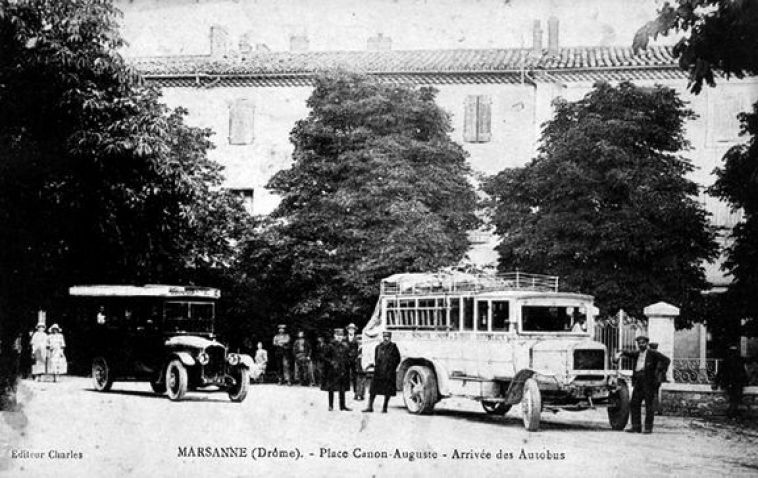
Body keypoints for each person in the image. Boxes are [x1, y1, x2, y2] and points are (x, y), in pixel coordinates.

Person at [614, 335, 670, 433]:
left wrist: (660, 371)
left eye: (643, 343)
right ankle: (636, 427)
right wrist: (620, 352)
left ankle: (648, 428)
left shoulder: (653, 353)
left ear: (647, 343)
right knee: (634, 403)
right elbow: (629, 353)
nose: (641, 345)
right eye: (639, 343)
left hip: (649, 381)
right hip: (638, 381)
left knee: (649, 405)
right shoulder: (637, 353)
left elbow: (666, 360)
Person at [364, 331, 401, 413]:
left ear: (390, 338)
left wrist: (391, 367)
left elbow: (398, 359)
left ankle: (385, 407)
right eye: (384, 337)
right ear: (382, 337)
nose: (386, 338)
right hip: (379, 372)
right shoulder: (378, 347)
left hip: (389, 372)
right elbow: (375, 358)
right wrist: (377, 366)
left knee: (387, 391)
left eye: (387, 337)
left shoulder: (393, 347)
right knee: (373, 390)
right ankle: (370, 407)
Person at [713, 345, 748, 419]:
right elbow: (743, 372)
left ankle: (732, 413)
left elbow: (720, 372)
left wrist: (716, 382)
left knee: (734, 399)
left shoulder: (727, 360)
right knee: (736, 399)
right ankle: (731, 413)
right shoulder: (738, 360)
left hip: (730, 383)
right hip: (736, 383)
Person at [321, 328, 351, 411]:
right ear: (334, 336)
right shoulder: (330, 346)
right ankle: (331, 405)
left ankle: (343, 406)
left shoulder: (345, 346)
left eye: (341, 335)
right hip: (332, 370)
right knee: (331, 388)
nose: (339, 337)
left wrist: (347, 363)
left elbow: (347, 357)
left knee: (342, 388)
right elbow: (324, 357)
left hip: (342, 369)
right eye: (338, 335)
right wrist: (331, 362)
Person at [345, 323, 360, 399]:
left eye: (353, 329)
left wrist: (355, 356)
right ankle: (346, 388)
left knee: (355, 374)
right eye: (350, 329)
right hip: (347, 358)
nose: (351, 330)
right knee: (346, 373)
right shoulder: (345, 338)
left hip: (354, 358)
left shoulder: (356, 339)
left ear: (354, 330)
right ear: (348, 330)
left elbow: (358, 349)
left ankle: (355, 390)